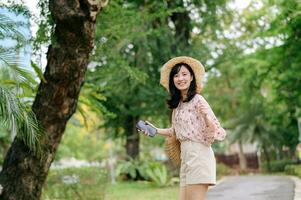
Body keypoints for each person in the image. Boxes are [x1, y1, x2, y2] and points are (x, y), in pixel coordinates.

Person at [138, 56, 227, 200]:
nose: (180, 78)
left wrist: (205, 117)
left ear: (192, 77)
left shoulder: (198, 100)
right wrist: (155, 130)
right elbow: (175, 131)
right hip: (185, 157)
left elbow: (215, 132)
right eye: (176, 75)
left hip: (199, 155)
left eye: (184, 74)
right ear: (173, 80)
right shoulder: (178, 105)